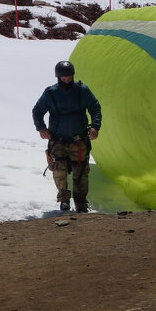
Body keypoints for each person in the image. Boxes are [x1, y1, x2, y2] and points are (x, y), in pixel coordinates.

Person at [32, 60, 102, 213]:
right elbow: (37, 110)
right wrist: (41, 128)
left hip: (79, 140)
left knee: (81, 172)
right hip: (58, 140)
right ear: (58, 77)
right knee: (59, 171)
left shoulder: (82, 90)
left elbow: (95, 107)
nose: (67, 79)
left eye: (69, 76)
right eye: (63, 77)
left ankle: (81, 203)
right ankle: (64, 199)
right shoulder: (50, 93)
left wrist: (95, 126)